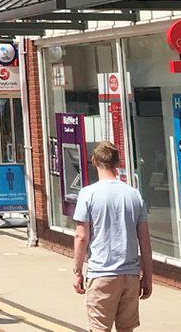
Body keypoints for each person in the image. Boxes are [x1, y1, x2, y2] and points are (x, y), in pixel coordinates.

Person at [72, 141, 152, 332]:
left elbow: (81, 237)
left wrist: (77, 272)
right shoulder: (134, 195)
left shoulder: (87, 194)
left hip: (101, 274)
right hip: (130, 276)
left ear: (94, 161)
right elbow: (145, 241)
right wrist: (147, 276)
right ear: (117, 163)